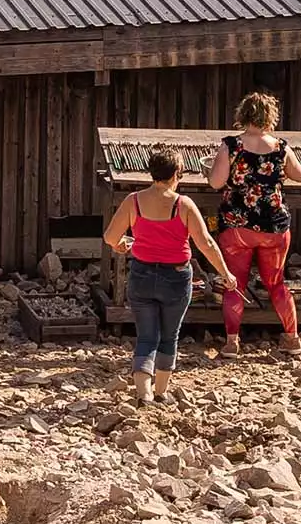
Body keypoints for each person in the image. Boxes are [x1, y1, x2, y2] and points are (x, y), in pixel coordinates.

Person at [102, 146, 239, 406]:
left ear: (151, 172)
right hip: (175, 278)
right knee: (169, 336)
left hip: (141, 274)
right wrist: (226, 274)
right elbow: (206, 244)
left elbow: (110, 237)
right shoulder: (183, 204)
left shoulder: (133, 201)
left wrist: (121, 245)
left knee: (146, 337)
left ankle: (143, 394)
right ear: (177, 174)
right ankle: (161, 393)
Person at [208, 91, 301, 356]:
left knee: (234, 282)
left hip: (237, 227)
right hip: (274, 228)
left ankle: (232, 343)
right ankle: (293, 340)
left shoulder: (231, 146)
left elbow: (214, 182)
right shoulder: (282, 147)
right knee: (277, 284)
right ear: (270, 117)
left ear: (243, 115)